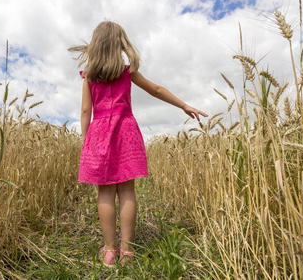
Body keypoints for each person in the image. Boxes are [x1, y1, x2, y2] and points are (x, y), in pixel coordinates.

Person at [68, 21, 207, 267]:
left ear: (95, 46)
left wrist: (86, 140)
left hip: (99, 133)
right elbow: (155, 89)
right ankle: (128, 252)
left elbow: (85, 111)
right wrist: (183, 104)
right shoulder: (127, 72)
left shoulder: (88, 77)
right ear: (120, 44)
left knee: (105, 192)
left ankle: (110, 252)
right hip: (126, 131)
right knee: (128, 190)